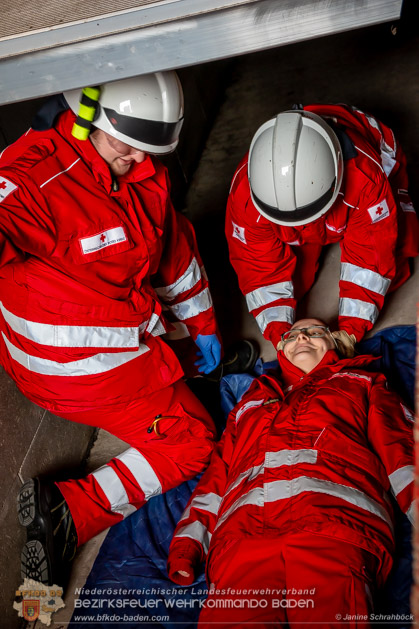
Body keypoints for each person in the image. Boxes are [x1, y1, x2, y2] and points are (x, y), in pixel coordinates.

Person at [0, 71, 223, 587]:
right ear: (87, 114)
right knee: (195, 442)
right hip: (78, 369)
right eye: (129, 142)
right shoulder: (34, 181)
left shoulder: (141, 172)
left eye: (151, 145)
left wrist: (203, 324)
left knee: (191, 362)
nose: (140, 157)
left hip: (118, 337)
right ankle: (69, 512)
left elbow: (174, 252)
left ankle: (185, 365)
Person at [167, 318, 414, 628]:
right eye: (293, 334)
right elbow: (216, 477)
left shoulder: (361, 382)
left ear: (333, 343)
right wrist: (187, 547)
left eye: (314, 332)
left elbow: (402, 449)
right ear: (281, 348)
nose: (303, 338)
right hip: (242, 543)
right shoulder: (249, 403)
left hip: (334, 530)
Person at [226, 104, 419, 356]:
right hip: (315, 195)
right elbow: (259, 268)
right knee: (297, 283)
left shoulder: (366, 178)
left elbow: (370, 257)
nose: (303, 338)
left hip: (375, 165)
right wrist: (278, 332)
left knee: (396, 250)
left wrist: (352, 329)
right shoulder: (245, 196)